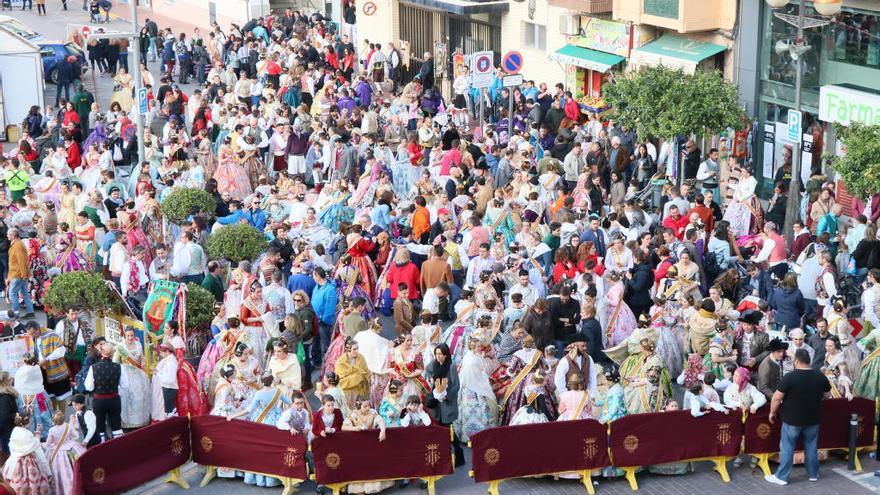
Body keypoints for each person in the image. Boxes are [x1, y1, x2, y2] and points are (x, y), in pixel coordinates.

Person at [765, 349, 831, 486]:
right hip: (813, 419)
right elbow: (827, 395)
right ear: (809, 361)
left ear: (796, 361)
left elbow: (776, 398)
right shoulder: (820, 376)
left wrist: (772, 413)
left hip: (792, 420)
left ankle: (782, 477)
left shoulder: (790, 377)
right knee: (811, 447)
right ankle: (813, 474)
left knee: (787, 447)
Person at [2, 413, 51, 495]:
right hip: (30, 465)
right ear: (27, 422)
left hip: (15, 462)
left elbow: (13, 449)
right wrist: (48, 472)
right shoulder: (28, 434)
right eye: (31, 420)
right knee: (33, 486)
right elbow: (38, 451)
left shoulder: (14, 431)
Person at [44, 411, 86, 495]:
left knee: (61, 472)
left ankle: (65, 489)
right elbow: (75, 436)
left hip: (57, 452)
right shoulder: (68, 425)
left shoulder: (52, 430)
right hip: (71, 448)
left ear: (54, 421)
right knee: (75, 465)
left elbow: (48, 443)